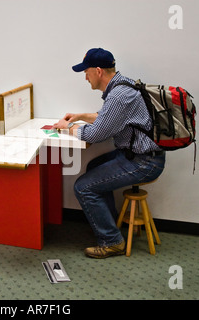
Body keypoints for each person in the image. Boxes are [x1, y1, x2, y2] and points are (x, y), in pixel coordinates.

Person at [53, 48, 166, 259]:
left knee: (83, 187)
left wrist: (66, 127)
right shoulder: (123, 86)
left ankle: (112, 241)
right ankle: (107, 225)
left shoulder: (119, 96)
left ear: (98, 71)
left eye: (86, 72)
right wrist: (80, 116)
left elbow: (95, 135)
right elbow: (107, 117)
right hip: (139, 156)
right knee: (93, 168)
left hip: (144, 163)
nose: (85, 78)